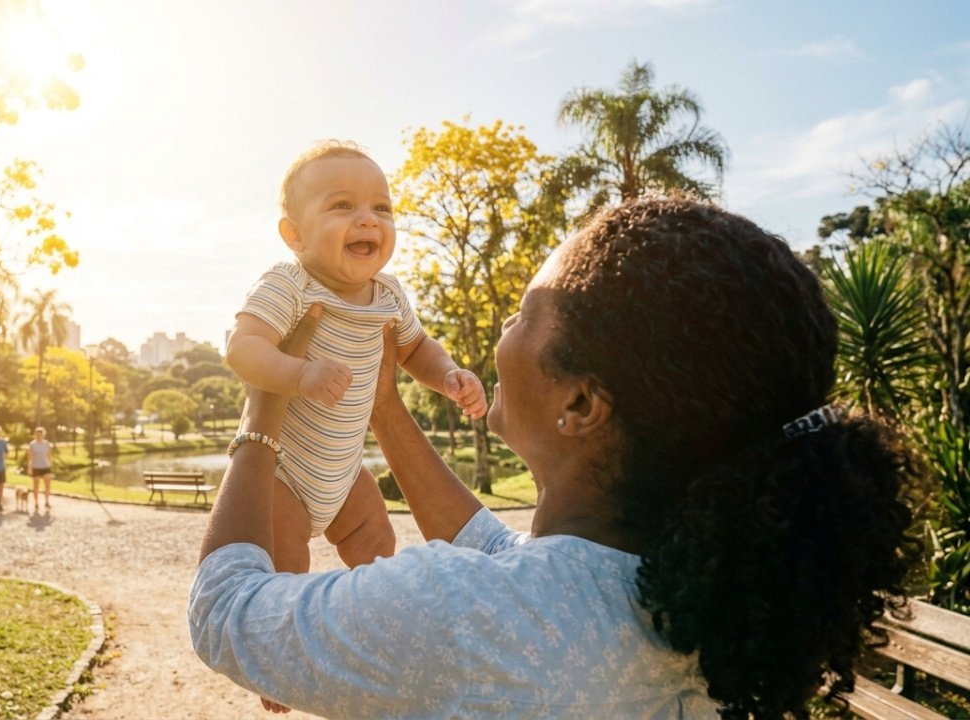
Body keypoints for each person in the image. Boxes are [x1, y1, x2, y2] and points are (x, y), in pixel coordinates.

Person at [190, 197, 919, 718]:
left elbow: (225, 612)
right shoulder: (688, 593)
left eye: (524, 315)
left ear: (579, 407)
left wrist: (263, 416)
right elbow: (508, 556)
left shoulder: (464, 616)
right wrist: (385, 411)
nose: (505, 334)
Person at [225, 140, 487, 576]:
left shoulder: (389, 294)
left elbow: (416, 347)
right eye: (343, 206)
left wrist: (447, 375)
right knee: (285, 567)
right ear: (295, 235)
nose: (368, 218)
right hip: (282, 471)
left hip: (345, 472)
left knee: (378, 542)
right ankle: (294, 632)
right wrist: (300, 373)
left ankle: (376, 616)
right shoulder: (289, 285)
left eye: (382, 208)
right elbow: (243, 347)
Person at [26, 426, 54, 512]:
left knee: (47, 484)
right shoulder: (32, 444)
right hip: (36, 467)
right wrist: (29, 468)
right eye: (37, 434)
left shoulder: (47, 444)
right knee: (36, 485)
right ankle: (36, 502)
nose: (39, 436)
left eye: (40, 434)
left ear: (43, 435)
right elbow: (30, 458)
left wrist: (50, 466)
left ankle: (47, 501)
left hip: (46, 467)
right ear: (35, 435)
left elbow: (49, 456)